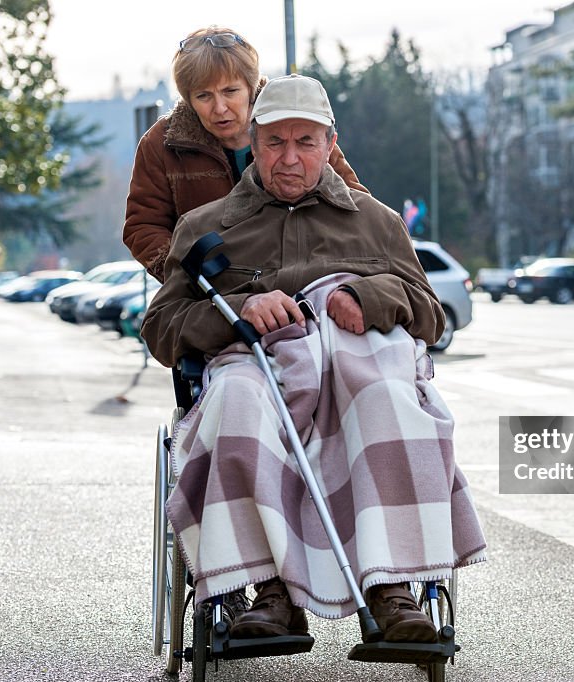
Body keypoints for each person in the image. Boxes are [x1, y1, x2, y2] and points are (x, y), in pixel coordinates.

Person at [141, 74, 487, 644]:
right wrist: (241, 306)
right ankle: (269, 591)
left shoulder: (376, 222)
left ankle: (392, 588)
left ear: (330, 143)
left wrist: (368, 297)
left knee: (385, 399)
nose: (291, 158)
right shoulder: (205, 228)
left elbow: (430, 314)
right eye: (276, 142)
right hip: (257, 367)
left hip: (361, 365)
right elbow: (160, 328)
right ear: (253, 141)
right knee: (237, 404)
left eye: (306, 142)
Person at [123, 26, 367, 282]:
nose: (219, 107)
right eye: (204, 95)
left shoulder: (295, 125)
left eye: (230, 91)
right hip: (210, 296)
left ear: (251, 88)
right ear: (188, 99)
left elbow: (352, 204)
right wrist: (193, 276)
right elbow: (143, 227)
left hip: (302, 282)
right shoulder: (162, 143)